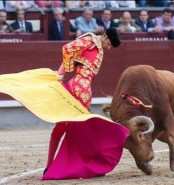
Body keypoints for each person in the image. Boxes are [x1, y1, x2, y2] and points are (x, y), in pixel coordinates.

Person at [43, 27, 121, 177]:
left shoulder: (98, 47)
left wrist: (63, 73)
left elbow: (71, 52)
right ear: (105, 36)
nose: (109, 48)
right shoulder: (91, 40)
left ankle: (49, 166)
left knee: (63, 126)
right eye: (110, 44)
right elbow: (67, 48)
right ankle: (87, 166)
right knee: (82, 129)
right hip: (82, 89)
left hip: (76, 86)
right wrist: (63, 72)